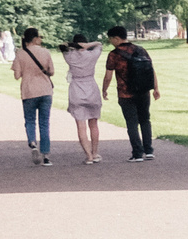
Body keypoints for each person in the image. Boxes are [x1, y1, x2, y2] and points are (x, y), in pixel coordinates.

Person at [104, 25, 159, 161]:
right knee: (145, 120)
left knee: (132, 123)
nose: (110, 42)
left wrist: (104, 89)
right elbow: (151, 70)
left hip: (125, 93)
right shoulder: (141, 50)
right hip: (143, 91)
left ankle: (137, 153)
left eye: (111, 39)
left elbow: (108, 75)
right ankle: (149, 150)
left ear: (116, 38)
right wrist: (156, 88)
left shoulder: (114, 54)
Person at [12, 27, 57, 166]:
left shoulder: (20, 54)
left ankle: (33, 143)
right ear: (35, 38)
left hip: (29, 91)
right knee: (44, 123)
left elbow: (17, 75)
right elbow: (52, 72)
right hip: (45, 90)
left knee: (30, 120)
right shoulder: (45, 52)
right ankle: (46, 155)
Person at [62, 32, 105, 165]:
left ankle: (88, 156)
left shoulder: (69, 56)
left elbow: (62, 46)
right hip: (91, 88)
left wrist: (74, 45)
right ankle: (95, 152)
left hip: (76, 89)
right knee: (93, 124)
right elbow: (100, 45)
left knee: (81, 126)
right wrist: (89, 45)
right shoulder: (92, 55)